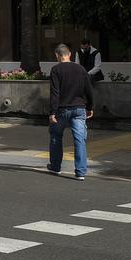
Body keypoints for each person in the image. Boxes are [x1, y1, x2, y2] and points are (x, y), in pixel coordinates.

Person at [47, 43, 94, 181]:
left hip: (62, 109)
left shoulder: (56, 69)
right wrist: (90, 107)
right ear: (70, 54)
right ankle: (80, 172)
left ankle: (56, 167)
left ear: (57, 55)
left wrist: (52, 112)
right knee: (80, 140)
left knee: (56, 136)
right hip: (79, 109)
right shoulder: (81, 69)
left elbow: (55, 93)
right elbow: (88, 90)